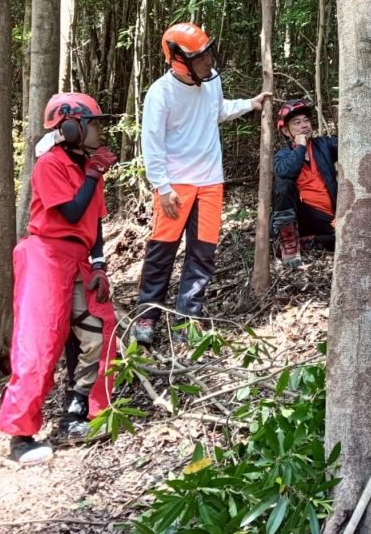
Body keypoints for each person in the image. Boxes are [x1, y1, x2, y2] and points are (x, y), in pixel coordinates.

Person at [0, 93, 120, 465]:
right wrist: (94, 173)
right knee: (38, 343)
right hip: (45, 256)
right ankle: (20, 438)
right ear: (71, 127)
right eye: (93, 123)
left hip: (78, 260)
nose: (99, 130)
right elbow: (70, 211)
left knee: (99, 329)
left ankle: (78, 412)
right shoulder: (50, 165)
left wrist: (99, 264)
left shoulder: (88, 168)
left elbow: (93, 221)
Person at [132, 23, 270, 345]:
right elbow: (151, 143)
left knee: (203, 252)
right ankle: (148, 316)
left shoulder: (212, 82)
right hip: (175, 183)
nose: (209, 60)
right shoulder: (160, 93)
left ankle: (187, 320)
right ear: (180, 60)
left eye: (209, 52)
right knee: (162, 252)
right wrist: (162, 188)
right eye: (201, 56)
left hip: (210, 180)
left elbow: (216, 112)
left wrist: (250, 103)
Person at [271, 98, 337, 267]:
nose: (304, 125)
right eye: (297, 123)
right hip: (301, 215)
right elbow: (286, 172)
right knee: (283, 184)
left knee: (343, 237)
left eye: (306, 121)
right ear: (286, 131)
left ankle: (308, 241)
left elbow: (348, 145)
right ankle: (290, 246)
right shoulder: (282, 156)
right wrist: (300, 147)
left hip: (327, 217)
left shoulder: (324, 145)